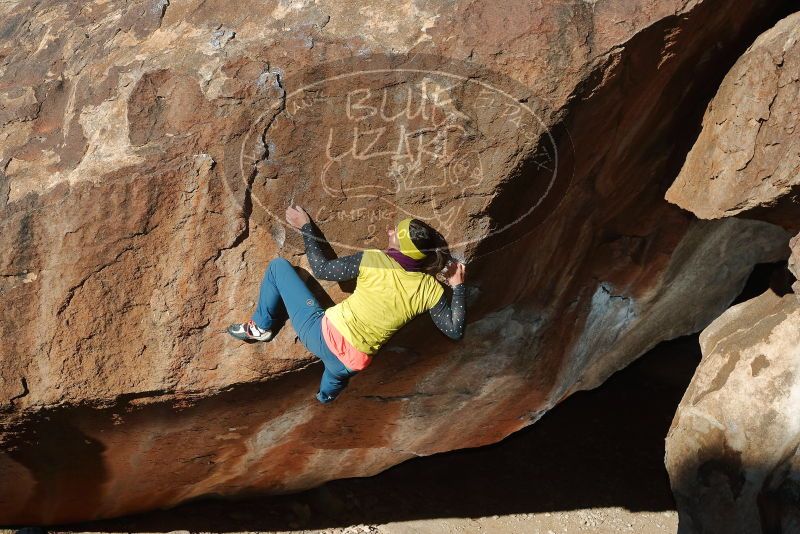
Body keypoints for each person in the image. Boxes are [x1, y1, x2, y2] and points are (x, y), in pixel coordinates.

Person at [227, 204, 467, 404]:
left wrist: (306, 227)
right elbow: (454, 331)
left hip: (320, 335)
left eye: (395, 234)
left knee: (277, 268)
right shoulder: (430, 289)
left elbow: (321, 269)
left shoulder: (374, 259)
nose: (390, 231)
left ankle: (260, 328)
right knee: (335, 376)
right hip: (353, 363)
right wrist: (457, 286)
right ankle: (326, 397)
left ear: (402, 248)